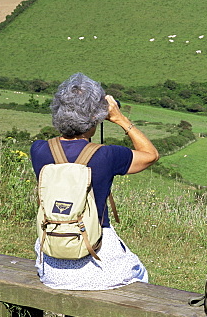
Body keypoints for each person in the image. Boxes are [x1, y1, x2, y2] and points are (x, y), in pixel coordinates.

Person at [30, 73, 158, 289]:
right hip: (99, 263)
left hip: (52, 268)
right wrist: (119, 117)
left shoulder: (39, 150)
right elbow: (150, 155)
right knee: (140, 274)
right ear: (95, 118)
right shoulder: (106, 155)